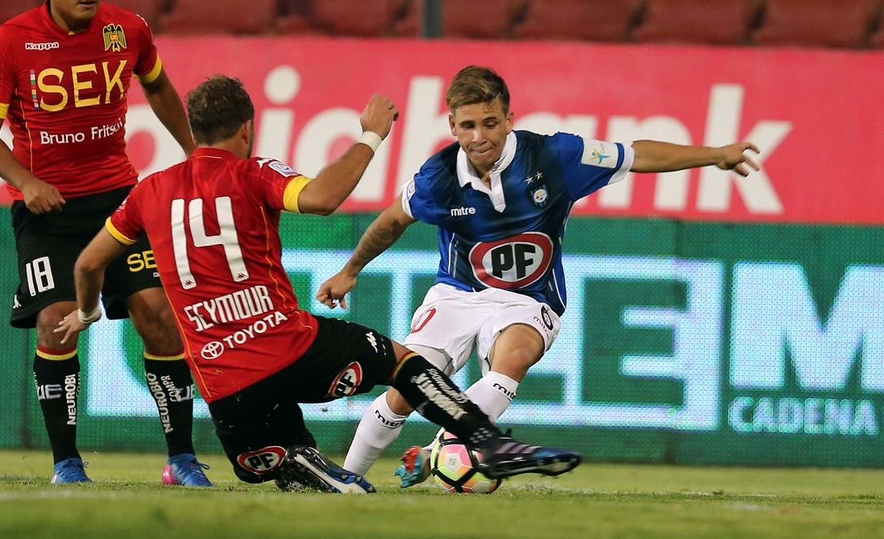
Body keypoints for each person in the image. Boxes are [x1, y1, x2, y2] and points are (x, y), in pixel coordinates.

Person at [54, 75, 581, 493]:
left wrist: (85, 311)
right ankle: (486, 441)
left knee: (270, 459)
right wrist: (371, 135)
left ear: (193, 131)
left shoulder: (148, 192)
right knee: (402, 362)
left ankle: (300, 463)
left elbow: (86, 266)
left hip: (226, 392)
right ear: (246, 130)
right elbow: (325, 197)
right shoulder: (251, 172)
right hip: (288, 350)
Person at [316, 65, 762, 486]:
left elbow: (636, 155)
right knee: (403, 390)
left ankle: (443, 451)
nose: (479, 136)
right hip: (456, 294)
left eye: (490, 123)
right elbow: (392, 222)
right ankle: (346, 481)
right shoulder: (437, 177)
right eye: (467, 126)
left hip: (528, 299)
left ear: (509, 119)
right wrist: (350, 270)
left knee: (515, 356)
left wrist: (716, 155)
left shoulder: (554, 156)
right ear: (452, 126)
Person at [0, 0, 210, 486]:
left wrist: (196, 152)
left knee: (160, 317)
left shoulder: (129, 30)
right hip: (48, 213)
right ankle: (66, 464)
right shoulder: (8, 43)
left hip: (119, 201)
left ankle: (181, 459)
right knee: (57, 324)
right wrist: (26, 181)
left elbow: (161, 89)